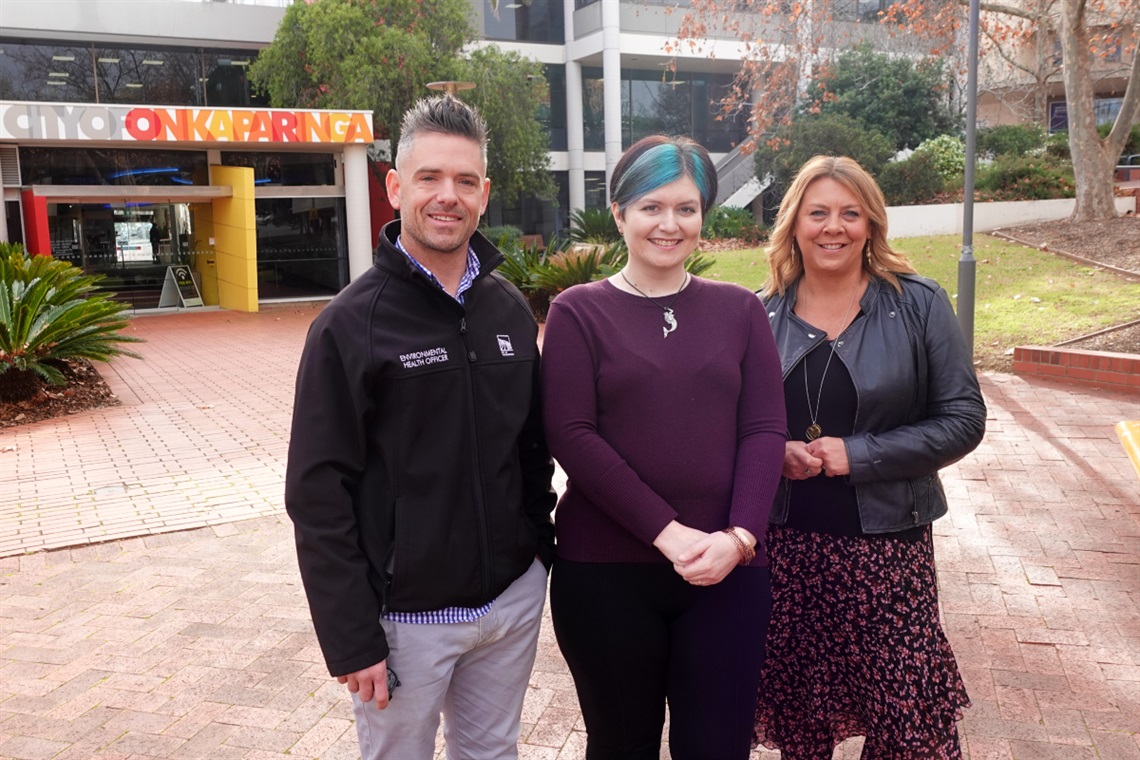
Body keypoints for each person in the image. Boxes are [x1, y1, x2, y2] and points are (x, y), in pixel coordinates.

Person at [284, 95, 556, 760]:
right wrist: (351, 637)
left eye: (465, 181)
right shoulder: (348, 327)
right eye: (430, 178)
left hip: (509, 604)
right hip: (405, 621)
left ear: (485, 194)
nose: (448, 196)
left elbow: (531, 447)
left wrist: (537, 549)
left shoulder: (508, 310)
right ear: (395, 186)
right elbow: (318, 496)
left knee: (493, 751)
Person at [541, 135, 787, 759]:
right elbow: (572, 434)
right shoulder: (578, 313)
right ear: (619, 214)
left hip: (727, 571)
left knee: (718, 747)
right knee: (622, 746)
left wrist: (739, 539)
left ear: (704, 215)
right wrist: (667, 532)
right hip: (605, 577)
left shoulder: (740, 311)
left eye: (686, 208)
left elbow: (764, 429)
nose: (669, 224)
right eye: (651, 207)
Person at [753, 155, 986, 758]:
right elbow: (737, 425)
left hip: (889, 553)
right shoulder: (760, 313)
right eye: (819, 212)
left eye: (850, 213)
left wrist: (856, 455)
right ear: (795, 224)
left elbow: (963, 420)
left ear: (871, 225)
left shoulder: (918, 304)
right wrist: (772, 452)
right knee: (804, 729)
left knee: (907, 725)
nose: (834, 227)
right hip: (790, 553)